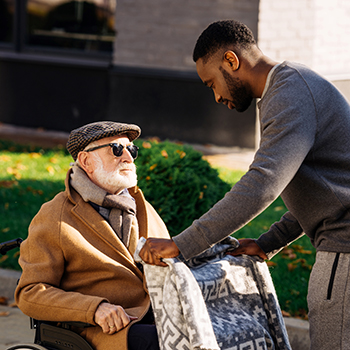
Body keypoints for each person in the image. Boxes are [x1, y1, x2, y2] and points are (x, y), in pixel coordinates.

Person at [139, 19, 350, 350]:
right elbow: (325, 189)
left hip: (344, 251)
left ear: (231, 61)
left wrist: (183, 244)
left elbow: (263, 183)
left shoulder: (290, 94)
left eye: (211, 83)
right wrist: (269, 242)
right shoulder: (290, 87)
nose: (216, 97)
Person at [15, 121, 170, 350]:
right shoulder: (56, 215)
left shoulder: (140, 205)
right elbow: (30, 292)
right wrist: (94, 309)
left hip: (154, 314)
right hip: (97, 329)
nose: (128, 157)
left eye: (131, 150)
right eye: (116, 149)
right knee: (160, 341)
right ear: (86, 161)